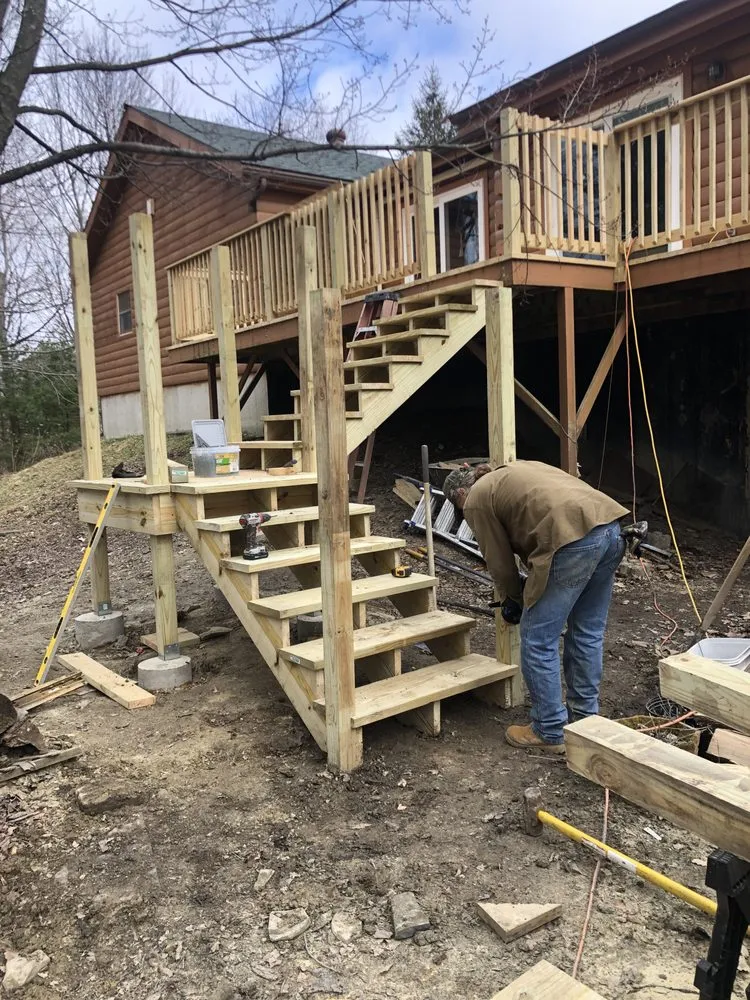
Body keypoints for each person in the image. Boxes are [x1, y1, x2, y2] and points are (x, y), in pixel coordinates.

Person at [442, 461, 628, 754]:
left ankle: (550, 728)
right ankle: (586, 722)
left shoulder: (476, 498)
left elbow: (500, 565)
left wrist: (513, 599)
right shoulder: (513, 472)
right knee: (587, 632)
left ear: (462, 492)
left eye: (460, 508)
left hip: (572, 541)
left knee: (537, 638)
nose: (466, 517)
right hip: (610, 529)